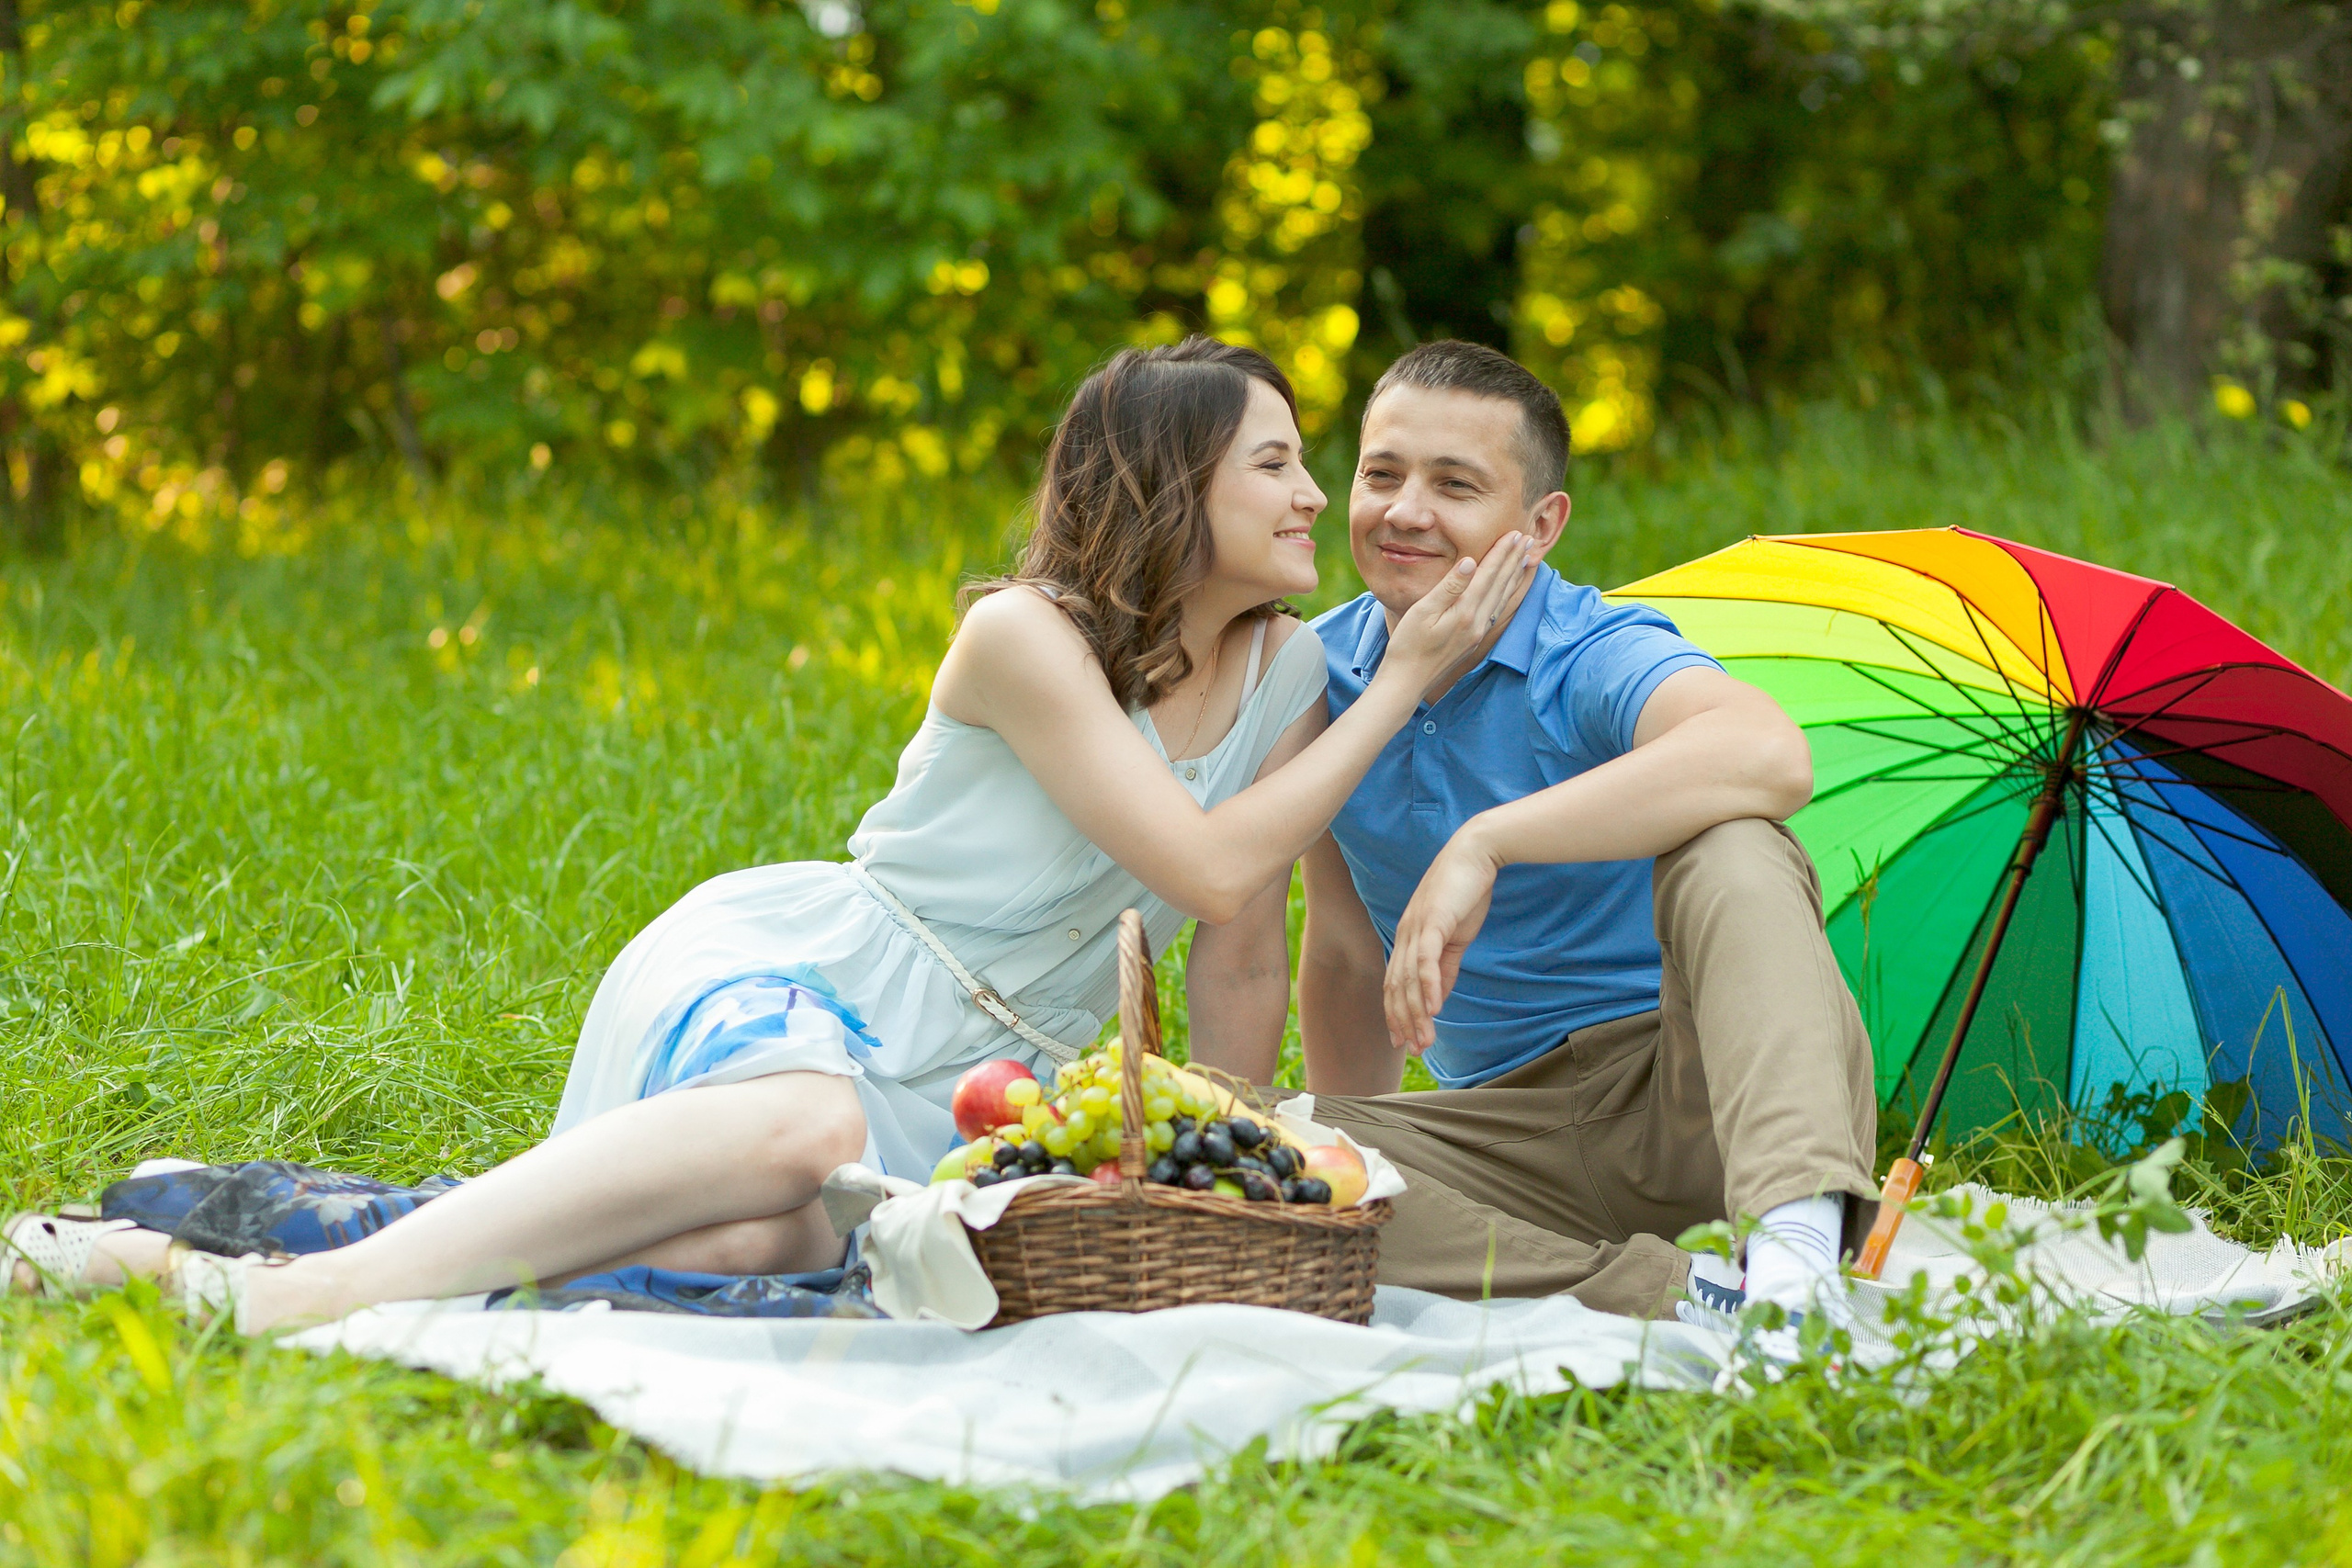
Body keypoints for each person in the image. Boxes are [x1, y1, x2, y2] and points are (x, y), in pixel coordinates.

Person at [4, 337, 1536, 1328]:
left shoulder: (1291, 678)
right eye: (1275, 460)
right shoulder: (1022, 637)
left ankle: (247, 1238)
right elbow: (1198, 861)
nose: (1318, 492)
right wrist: (1403, 678)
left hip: (976, 1089)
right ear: (1170, 476)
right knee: (802, 1134)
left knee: (777, 1242)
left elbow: (1240, 942)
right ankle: (294, 1298)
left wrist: (1253, 1154)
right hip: (824, 979)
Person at [1261, 340, 1880, 1330]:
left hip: (1704, 1102)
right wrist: (1352, 1146)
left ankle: (1798, 1256)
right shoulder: (1316, 674)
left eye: (1454, 484)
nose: (1405, 511)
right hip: (1506, 1134)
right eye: (1382, 474)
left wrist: (1487, 842)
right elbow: (1340, 953)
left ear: (1540, 524)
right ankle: (1698, 1303)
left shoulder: (1589, 649)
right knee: (1237, 1143)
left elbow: (1768, 753)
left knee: (1734, 842)